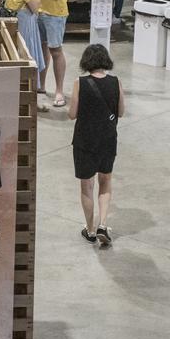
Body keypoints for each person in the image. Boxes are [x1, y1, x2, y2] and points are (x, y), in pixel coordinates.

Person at [67, 44, 124, 248]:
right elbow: (121, 111)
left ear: (86, 61)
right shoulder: (115, 82)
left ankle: (90, 230)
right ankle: (103, 225)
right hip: (108, 139)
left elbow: (72, 114)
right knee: (105, 181)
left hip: (85, 139)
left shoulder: (79, 83)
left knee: (86, 186)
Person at [31, 0, 77, 108]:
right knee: (42, 49)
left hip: (55, 13)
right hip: (39, 10)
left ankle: (58, 90)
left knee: (56, 51)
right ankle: (41, 85)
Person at [5, 0, 46, 87]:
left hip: (18, 20)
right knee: (28, 55)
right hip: (25, 23)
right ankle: (30, 92)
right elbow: (34, 7)